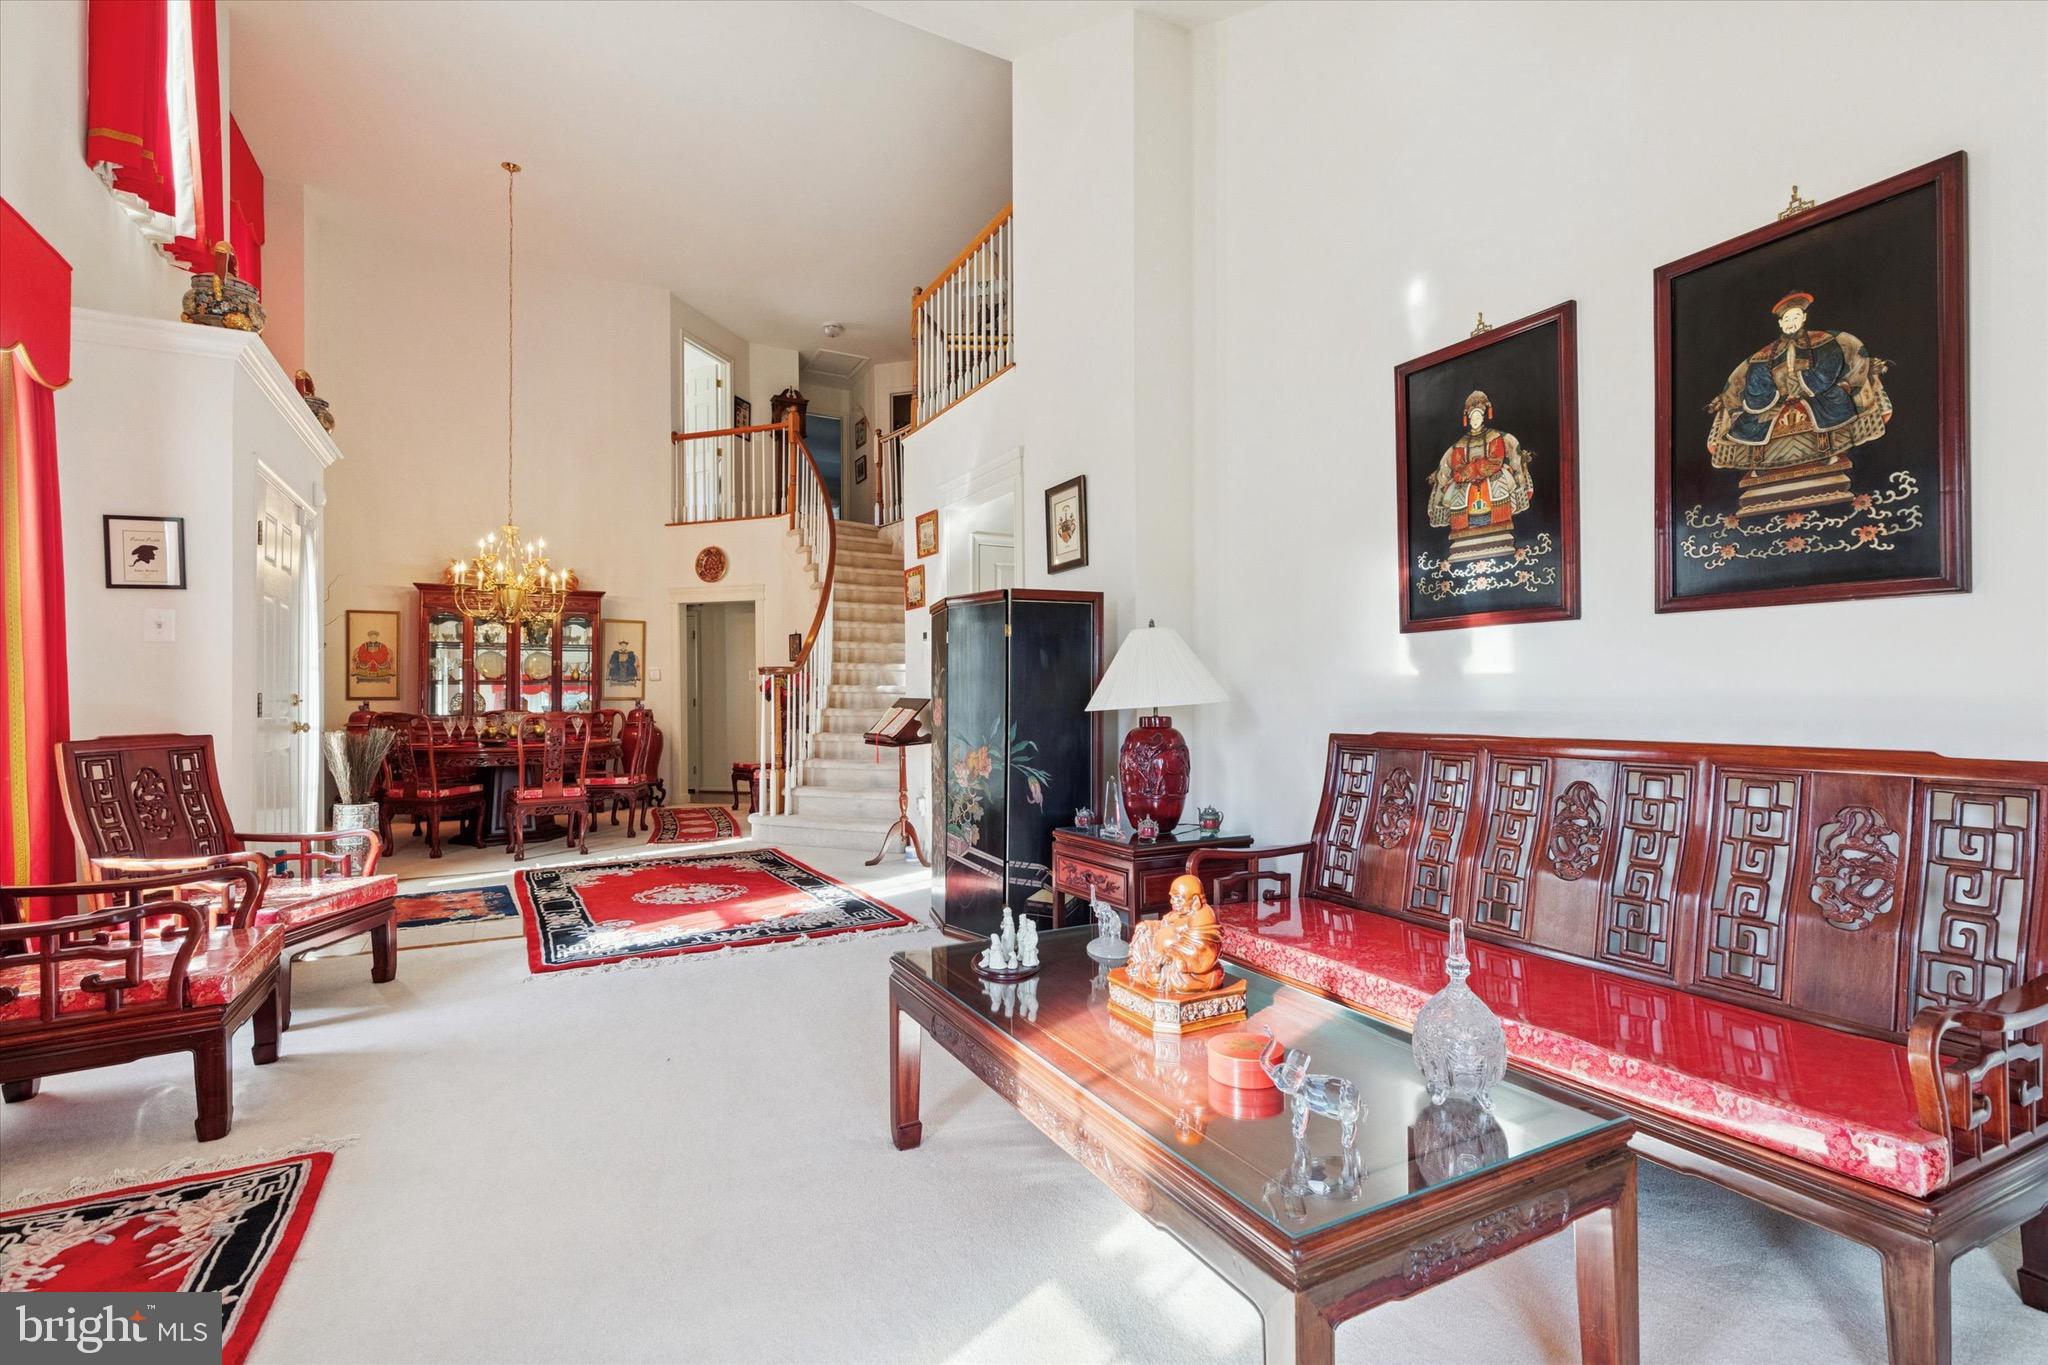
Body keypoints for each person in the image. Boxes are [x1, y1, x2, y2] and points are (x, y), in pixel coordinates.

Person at [1706, 291, 1892, 477]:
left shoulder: (1823, 340)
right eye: (1787, 319)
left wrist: (1802, 382)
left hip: (1817, 391)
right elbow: (1756, 378)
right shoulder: (1765, 354)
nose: (1791, 322)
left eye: (1795, 317)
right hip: (1776, 398)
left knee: (1835, 401)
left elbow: (1830, 366)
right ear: (1780, 323)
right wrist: (1776, 390)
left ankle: (1828, 453)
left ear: (1803, 317)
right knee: (1751, 422)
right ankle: (1763, 464)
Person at [1426, 390, 1533, 565]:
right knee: (1457, 494)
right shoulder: (1460, 444)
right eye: (1472, 417)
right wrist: (1469, 471)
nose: (1475, 420)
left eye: (1478, 416)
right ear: (1468, 419)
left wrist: (1476, 467)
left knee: (1497, 484)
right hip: (1466, 478)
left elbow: (1496, 459)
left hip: (1492, 472)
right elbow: (1457, 465)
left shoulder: (1494, 436)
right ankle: (1463, 533)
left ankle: (1499, 528)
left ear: (1484, 417)